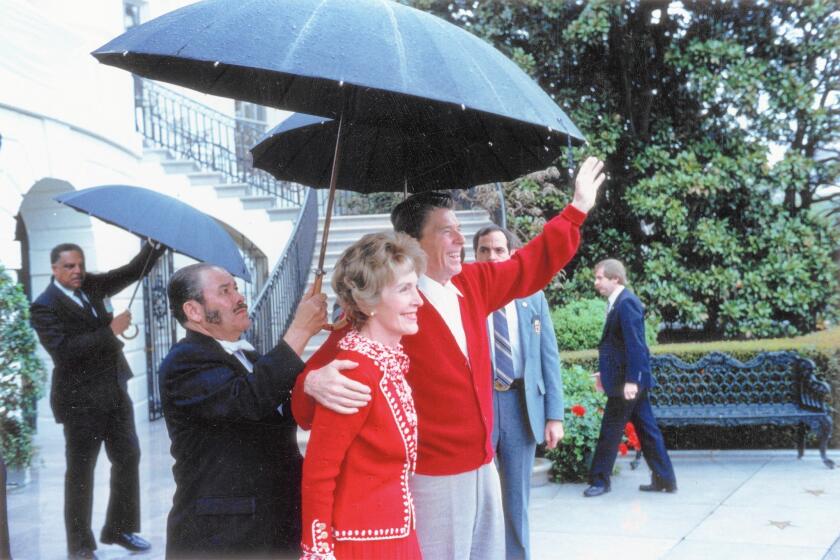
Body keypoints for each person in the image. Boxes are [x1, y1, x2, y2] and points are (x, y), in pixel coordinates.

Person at [297, 157, 605, 559]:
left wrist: (576, 209)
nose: (461, 240)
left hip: (483, 467)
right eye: (447, 231)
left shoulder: (472, 283)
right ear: (411, 241)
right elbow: (309, 401)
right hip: (431, 480)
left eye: (460, 229)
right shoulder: (387, 309)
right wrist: (311, 381)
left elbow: (530, 265)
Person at [159, 263, 365, 559]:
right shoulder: (184, 362)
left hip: (271, 526)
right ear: (194, 311)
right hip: (224, 537)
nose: (238, 297)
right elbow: (249, 401)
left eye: (236, 288)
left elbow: (280, 393)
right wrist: (300, 329)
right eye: (225, 291)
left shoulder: (247, 355)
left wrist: (333, 331)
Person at [295, 231, 426, 560]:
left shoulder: (387, 362)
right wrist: (318, 550)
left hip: (397, 537)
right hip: (363, 547)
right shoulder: (354, 371)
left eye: (416, 287)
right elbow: (319, 474)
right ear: (369, 303)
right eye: (404, 290)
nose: (419, 301)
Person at [30, 241, 164, 559]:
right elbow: (64, 352)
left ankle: (119, 529)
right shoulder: (43, 305)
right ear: (54, 269)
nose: (77, 271)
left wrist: (152, 250)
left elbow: (129, 272)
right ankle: (79, 546)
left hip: (115, 391)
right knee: (81, 472)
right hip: (79, 401)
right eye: (69, 267)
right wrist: (111, 331)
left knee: (128, 456)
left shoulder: (91, 284)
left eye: (80, 265)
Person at [473, 225, 564, 560]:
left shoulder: (532, 297)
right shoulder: (468, 296)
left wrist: (554, 415)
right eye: (485, 250)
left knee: (516, 498)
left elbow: (548, 358)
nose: (492, 256)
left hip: (520, 405)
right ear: (476, 255)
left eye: (499, 250)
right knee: (479, 496)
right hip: (480, 404)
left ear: (512, 254)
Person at [583, 259, 677, 497]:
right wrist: (605, 373)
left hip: (628, 384)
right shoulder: (619, 302)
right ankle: (665, 480)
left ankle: (600, 482)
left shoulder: (626, 303)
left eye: (599, 278)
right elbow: (619, 347)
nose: (596, 283)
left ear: (615, 279)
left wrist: (632, 381)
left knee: (610, 431)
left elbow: (636, 346)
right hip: (628, 381)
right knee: (647, 430)